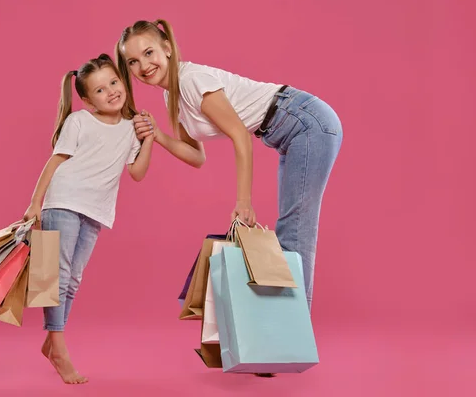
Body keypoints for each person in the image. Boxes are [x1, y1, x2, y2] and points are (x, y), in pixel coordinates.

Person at [116, 19, 342, 314]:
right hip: (290, 133)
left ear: (167, 48)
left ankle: (293, 330)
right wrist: (158, 135)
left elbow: (240, 136)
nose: (143, 65)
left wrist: (243, 203)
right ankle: (286, 329)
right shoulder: (172, 95)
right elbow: (197, 156)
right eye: (133, 61)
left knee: (295, 233)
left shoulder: (190, 81)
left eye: (149, 53)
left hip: (305, 122)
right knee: (290, 233)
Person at [22, 53, 154, 384]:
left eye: (113, 82)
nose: (111, 91)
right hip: (62, 201)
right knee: (55, 276)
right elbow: (55, 162)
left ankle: (52, 341)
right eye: (99, 90)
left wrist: (148, 138)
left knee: (73, 278)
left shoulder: (130, 128)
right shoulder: (78, 121)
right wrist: (35, 202)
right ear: (86, 99)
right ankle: (60, 350)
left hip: (96, 210)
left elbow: (137, 173)